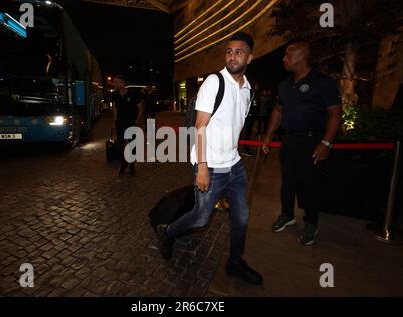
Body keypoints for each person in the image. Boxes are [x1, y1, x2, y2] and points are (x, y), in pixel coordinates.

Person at [156, 32, 263, 285]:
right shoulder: (214, 83)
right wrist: (202, 167)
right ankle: (168, 232)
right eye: (228, 51)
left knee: (242, 216)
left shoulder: (248, 89)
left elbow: (234, 126)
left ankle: (235, 263)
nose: (232, 56)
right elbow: (200, 126)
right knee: (202, 217)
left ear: (250, 56)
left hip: (234, 164)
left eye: (238, 52)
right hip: (210, 164)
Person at [262, 42, 342, 245]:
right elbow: (278, 111)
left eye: (288, 55)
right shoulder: (284, 84)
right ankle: (287, 214)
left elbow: (335, 114)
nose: (284, 59)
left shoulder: (323, 83)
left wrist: (326, 142)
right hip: (289, 140)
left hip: (312, 140)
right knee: (287, 181)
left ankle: (311, 223)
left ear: (301, 57)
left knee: (310, 184)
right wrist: (268, 136)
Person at [111, 74, 144, 176]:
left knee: (132, 144)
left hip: (131, 123)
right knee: (121, 145)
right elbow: (115, 108)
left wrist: (137, 120)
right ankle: (123, 163)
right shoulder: (115, 95)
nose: (115, 84)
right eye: (114, 82)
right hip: (120, 123)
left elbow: (140, 107)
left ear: (123, 83)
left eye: (117, 82)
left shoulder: (133, 94)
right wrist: (115, 120)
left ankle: (132, 165)